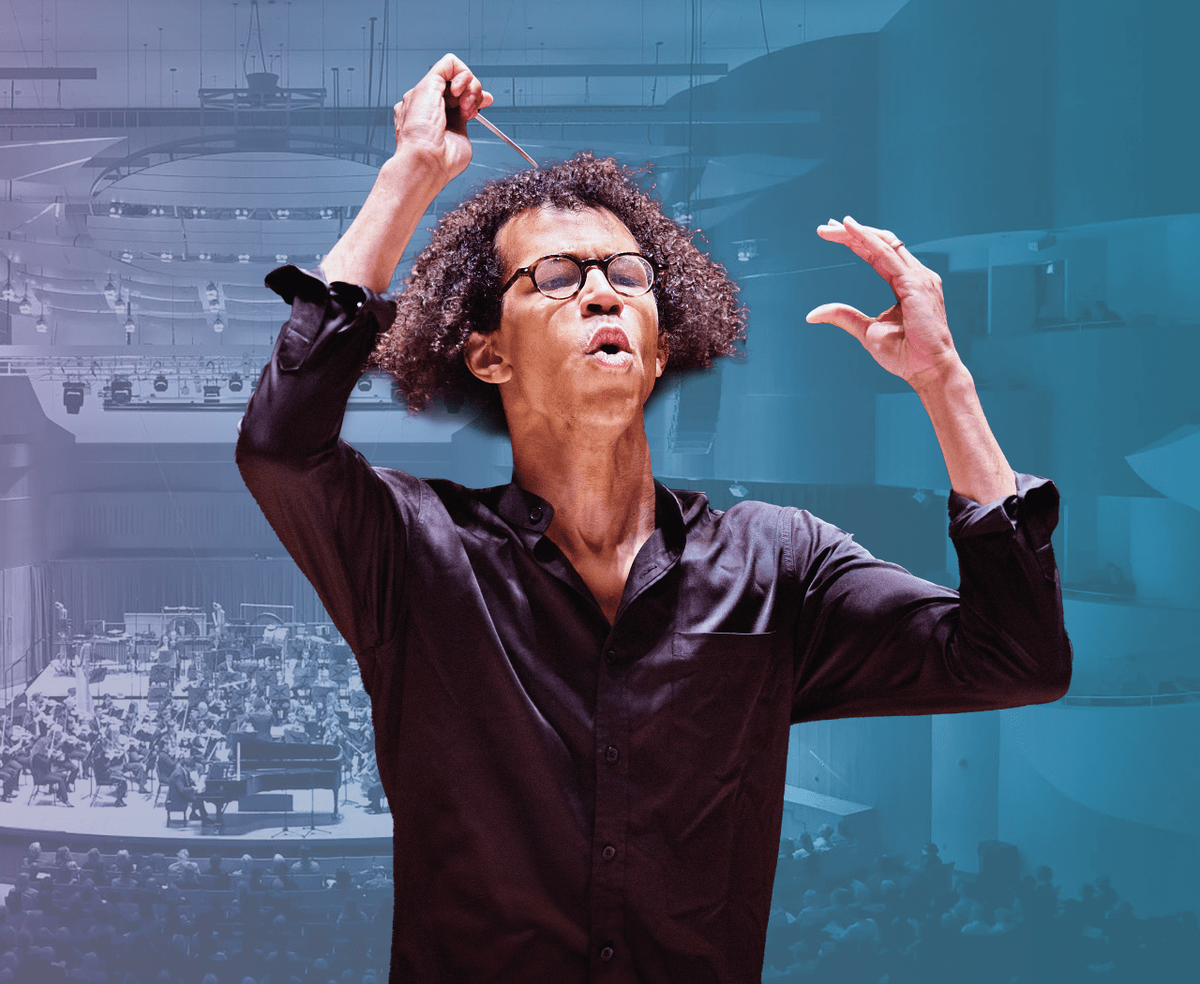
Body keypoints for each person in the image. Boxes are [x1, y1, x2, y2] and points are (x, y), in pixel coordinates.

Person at [237, 53, 1071, 984]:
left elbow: (1017, 658)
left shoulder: (780, 565)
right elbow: (279, 447)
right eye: (556, 275)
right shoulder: (413, 551)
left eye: (628, 273)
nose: (603, 291)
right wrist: (410, 178)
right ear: (487, 355)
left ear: (663, 344)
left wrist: (944, 381)